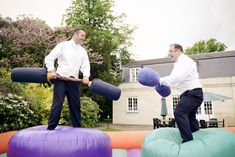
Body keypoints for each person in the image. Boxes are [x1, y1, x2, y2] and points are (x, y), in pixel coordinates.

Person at [44, 28, 90, 130]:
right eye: (82, 35)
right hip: (60, 79)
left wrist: (86, 76)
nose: (84, 38)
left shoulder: (82, 51)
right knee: (58, 103)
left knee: (75, 105)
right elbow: (49, 58)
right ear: (75, 34)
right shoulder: (63, 46)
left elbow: (85, 66)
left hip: (74, 81)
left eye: (84, 36)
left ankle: (77, 129)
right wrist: (51, 70)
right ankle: (51, 128)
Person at [160, 43, 203, 143]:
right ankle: (196, 133)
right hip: (191, 94)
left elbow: (177, 78)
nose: (168, 54)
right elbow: (174, 79)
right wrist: (163, 85)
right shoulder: (178, 63)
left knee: (179, 112)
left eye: (170, 51)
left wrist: (160, 80)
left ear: (178, 51)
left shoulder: (184, 61)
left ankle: (188, 141)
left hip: (193, 93)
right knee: (189, 116)